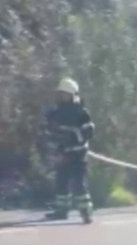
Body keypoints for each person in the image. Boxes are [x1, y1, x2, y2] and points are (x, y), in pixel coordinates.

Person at [39, 78, 95, 223]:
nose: (63, 97)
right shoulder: (55, 113)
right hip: (62, 156)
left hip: (77, 156)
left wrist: (73, 136)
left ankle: (86, 212)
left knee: (79, 184)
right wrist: (54, 147)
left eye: (66, 94)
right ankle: (61, 211)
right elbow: (48, 132)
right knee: (61, 183)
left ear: (73, 95)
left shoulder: (81, 113)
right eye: (61, 94)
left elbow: (88, 132)